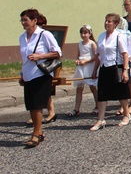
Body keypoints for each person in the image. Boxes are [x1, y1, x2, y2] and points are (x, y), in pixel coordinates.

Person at [19, 9, 62, 148]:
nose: (23, 23)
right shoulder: (22, 37)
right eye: (22, 20)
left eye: (26, 20)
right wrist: (22, 74)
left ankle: (36, 134)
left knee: (37, 105)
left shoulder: (45, 34)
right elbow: (24, 58)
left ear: (34, 20)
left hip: (41, 74)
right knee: (31, 105)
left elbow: (57, 52)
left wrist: (39, 56)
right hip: (28, 74)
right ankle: (39, 132)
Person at [90, 13, 131, 131]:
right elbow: (99, 55)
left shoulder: (119, 36)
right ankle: (101, 119)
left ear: (115, 24)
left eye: (110, 21)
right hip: (104, 67)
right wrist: (95, 70)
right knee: (102, 94)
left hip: (116, 66)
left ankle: (126, 115)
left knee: (121, 92)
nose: (107, 23)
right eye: (106, 21)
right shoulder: (101, 36)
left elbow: (125, 54)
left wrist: (125, 70)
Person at [69, 25, 98, 116]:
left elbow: (96, 57)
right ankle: (76, 109)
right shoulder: (79, 44)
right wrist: (77, 60)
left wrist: (86, 61)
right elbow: (78, 55)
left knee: (93, 87)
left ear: (90, 33)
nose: (83, 35)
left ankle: (97, 106)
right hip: (81, 67)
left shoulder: (92, 43)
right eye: (81, 33)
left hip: (89, 67)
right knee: (79, 88)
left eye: (85, 33)